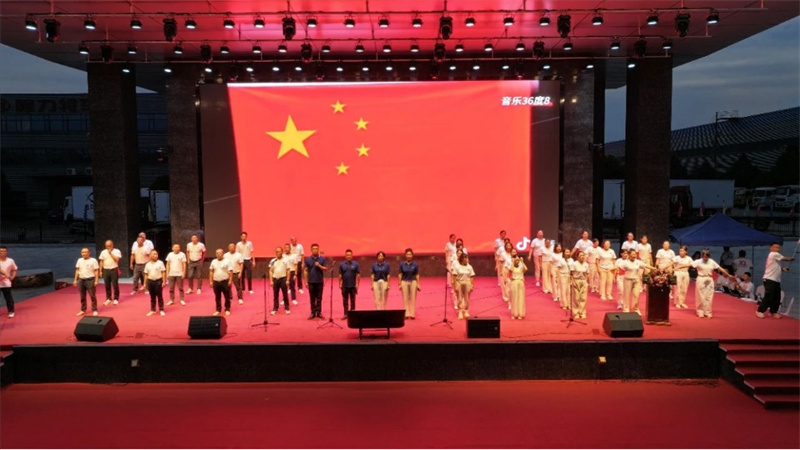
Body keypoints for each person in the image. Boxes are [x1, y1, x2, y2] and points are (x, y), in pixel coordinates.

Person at [692, 249, 735, 319]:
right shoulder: (698, 261)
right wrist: (679, 267)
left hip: (709, 279)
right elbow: (689, 264)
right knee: (700, 296)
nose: (705, 257)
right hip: (701, 278)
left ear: (709, 256)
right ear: (702, 255)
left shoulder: (711, 261)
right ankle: (700, 311)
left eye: (706, 256)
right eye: (704, 256)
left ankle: (708, 312)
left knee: (709, 296)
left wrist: (728, 275)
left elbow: (720, 268)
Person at [757, 242, 795, 319]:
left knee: (777, 297)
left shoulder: (776, 256)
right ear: (771, 248)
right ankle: (760, 311)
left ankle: (773, 311)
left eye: (778, 247)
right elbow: (785, 259)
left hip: (776, 280)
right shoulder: (773, 254)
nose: (778, 249)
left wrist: (783, 269)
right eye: (776, 247)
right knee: (769, 296)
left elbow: (775, 268)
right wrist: (791, 259)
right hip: (769, 279)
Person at [618, 250, 655, 315]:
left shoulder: (638, 262)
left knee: (636, 295)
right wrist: (610, 269)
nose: (634, 255)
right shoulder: (625, 262)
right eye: (632, 254)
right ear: (629, 255)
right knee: (626, 295)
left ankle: (636, 309)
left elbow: (645, 265)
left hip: (636, 280)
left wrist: (653, 268)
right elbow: (618, 267)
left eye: (635, 254)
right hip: (628, 280)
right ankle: (626, 309)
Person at [303, 243, 327, 319]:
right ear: (311, 250)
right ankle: (313, 312)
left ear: (318, 249)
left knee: (319, 298)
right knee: (312, 298)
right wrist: (306, 281)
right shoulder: (308, 259)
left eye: (316, 249)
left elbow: (325, 269)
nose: (315, 250)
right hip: (311, 282)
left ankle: (319, 312)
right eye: (313, 249)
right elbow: (305, 271)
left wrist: (319, 265)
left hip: (319, 281)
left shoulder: (322, 259)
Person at [73, 247, 100, 316]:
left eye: (85, 252)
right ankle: (83, 310)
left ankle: (95, 309)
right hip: (81, 280)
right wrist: (75, 280)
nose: (84, 254)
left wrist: (96, 280)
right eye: (82, 252)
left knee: (92, 295)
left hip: (90, 280)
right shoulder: (79, 260)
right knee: (82, 296)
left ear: (89, 253)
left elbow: (96, 270)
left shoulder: (93, 260)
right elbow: (77, 270)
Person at [208, 248, 233, 316]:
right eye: (217, 253)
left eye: (220, 253)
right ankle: (218, 309)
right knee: (217, 297)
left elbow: (230, 271)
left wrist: (230, 280)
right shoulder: (213, 261)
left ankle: (227, 309)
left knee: (227, 296)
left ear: (223, 254)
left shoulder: (227, 261)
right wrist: (210, 281)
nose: (218, 254)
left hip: (225, 281)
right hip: (216, 281)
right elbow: (211, 271)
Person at [451, 253, 476, 320]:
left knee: (467, 298)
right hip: (459, 283)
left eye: (467, 258)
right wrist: (455, 285)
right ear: (462, 259)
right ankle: (460, 311)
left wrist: (471, 285)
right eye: (465, 258)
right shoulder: (457, 266)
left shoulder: (469, 267)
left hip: (467, 283)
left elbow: (472, 276)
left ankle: (466, 311)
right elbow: (454, 276)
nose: (466, 260)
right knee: (459, 298)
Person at [398, 248, 420, 320]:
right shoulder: (402, 264)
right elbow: (400, 274)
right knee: (405, 298)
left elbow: (417, 275)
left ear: (412, 255)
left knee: (413, 298)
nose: (409, 256)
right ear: (405, 255)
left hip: (413, 281)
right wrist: (399, 283)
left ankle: (412, 314)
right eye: (407, 254)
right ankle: (406, 313)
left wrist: (418, 284)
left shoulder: (415, 264)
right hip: (404, 281)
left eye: (410, 254)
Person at [98, 240, 122, 306]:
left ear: (112, 245)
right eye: (106, 246)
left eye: (109, 246)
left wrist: (110, 253)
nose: (108, 247)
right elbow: (101, 261)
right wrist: (100, 270)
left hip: (114, 269)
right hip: (106, 270)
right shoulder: (103, 252)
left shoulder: (117, 251)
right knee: (107, 285)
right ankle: (108, 298)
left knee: (115, 285)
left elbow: (117, 259)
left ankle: (116, 299)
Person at [339, 249, 360, 320]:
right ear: (345, 256)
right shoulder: (342, 265)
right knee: (345, 301)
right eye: (347, 255)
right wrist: (340, 283)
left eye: (350, 255)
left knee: (353, 300)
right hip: (344, 286)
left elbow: (358, 274)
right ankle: (346, 314)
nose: (348, 256)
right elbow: (340, 275)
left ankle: (353, 314)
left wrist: (357, 284)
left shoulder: (356, 264)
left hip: (353, 285)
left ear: (352, 256)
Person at [143, 250, 166, 316]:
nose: (156, 255)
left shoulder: (160, 263)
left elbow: (163, 272)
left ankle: (161, 310)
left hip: (158, 281)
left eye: (156, 254)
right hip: (150, 282)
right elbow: (146, 274)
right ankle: (153, 310)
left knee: (159, 296)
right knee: (152, 297)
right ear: (150, 256)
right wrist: (145, 283)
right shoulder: (147, 264)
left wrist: (164, 281)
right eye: (154, 254)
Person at [269, 246, 290, 315]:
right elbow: (270, 271)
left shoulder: (285, 260)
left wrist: (287, 280)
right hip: (275, 279)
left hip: (283, 279)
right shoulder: (273, 261)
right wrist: (271, 280)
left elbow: (288, 270)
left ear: (282, 252)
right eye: (276, 251)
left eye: (279, 251)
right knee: (275, 295)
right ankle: (275, 308)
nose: (278, 253)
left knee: (285, 294)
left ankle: (287, 308)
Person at [0, 246, 18, 318]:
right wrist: (6, 274)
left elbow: (15, 269)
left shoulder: (10, 261)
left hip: (6, 283)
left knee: (8, 298)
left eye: (4, 251)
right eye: (1, 251)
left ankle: (11, 311)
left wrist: (12, 277)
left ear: (6, 252)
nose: (3, 253)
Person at [508, 254, 528, 320]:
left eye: (518, 260)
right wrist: (512, 262)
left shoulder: (521, 267)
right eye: (516, 260)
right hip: (514, 282)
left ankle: (520, 314)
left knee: (521, 298)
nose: (517, 261)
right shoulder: (512, 267)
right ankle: (514, 314)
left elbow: (526, 269)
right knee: (514, 298)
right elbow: (511, 270)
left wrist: (522, 262)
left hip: (520, 282)